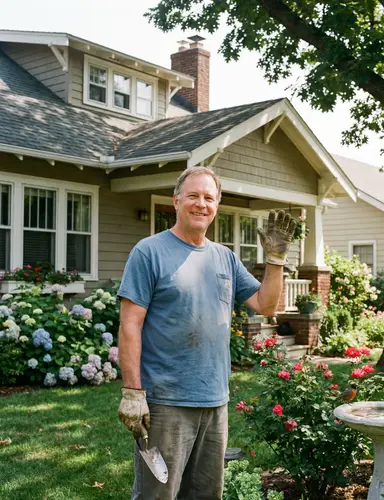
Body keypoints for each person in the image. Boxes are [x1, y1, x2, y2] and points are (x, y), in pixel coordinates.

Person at [117, 166, 296, 499]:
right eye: (194, 196)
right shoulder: (149, 252)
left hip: (215, 401)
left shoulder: (224, 257)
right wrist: (132, 391)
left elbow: (267, 304)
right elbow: (130, 324)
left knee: (205, 494)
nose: (201, 204)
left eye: (209, 198)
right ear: (176, 201)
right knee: (159, 494)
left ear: (217, 205)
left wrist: (275, 259)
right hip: (166, 402)